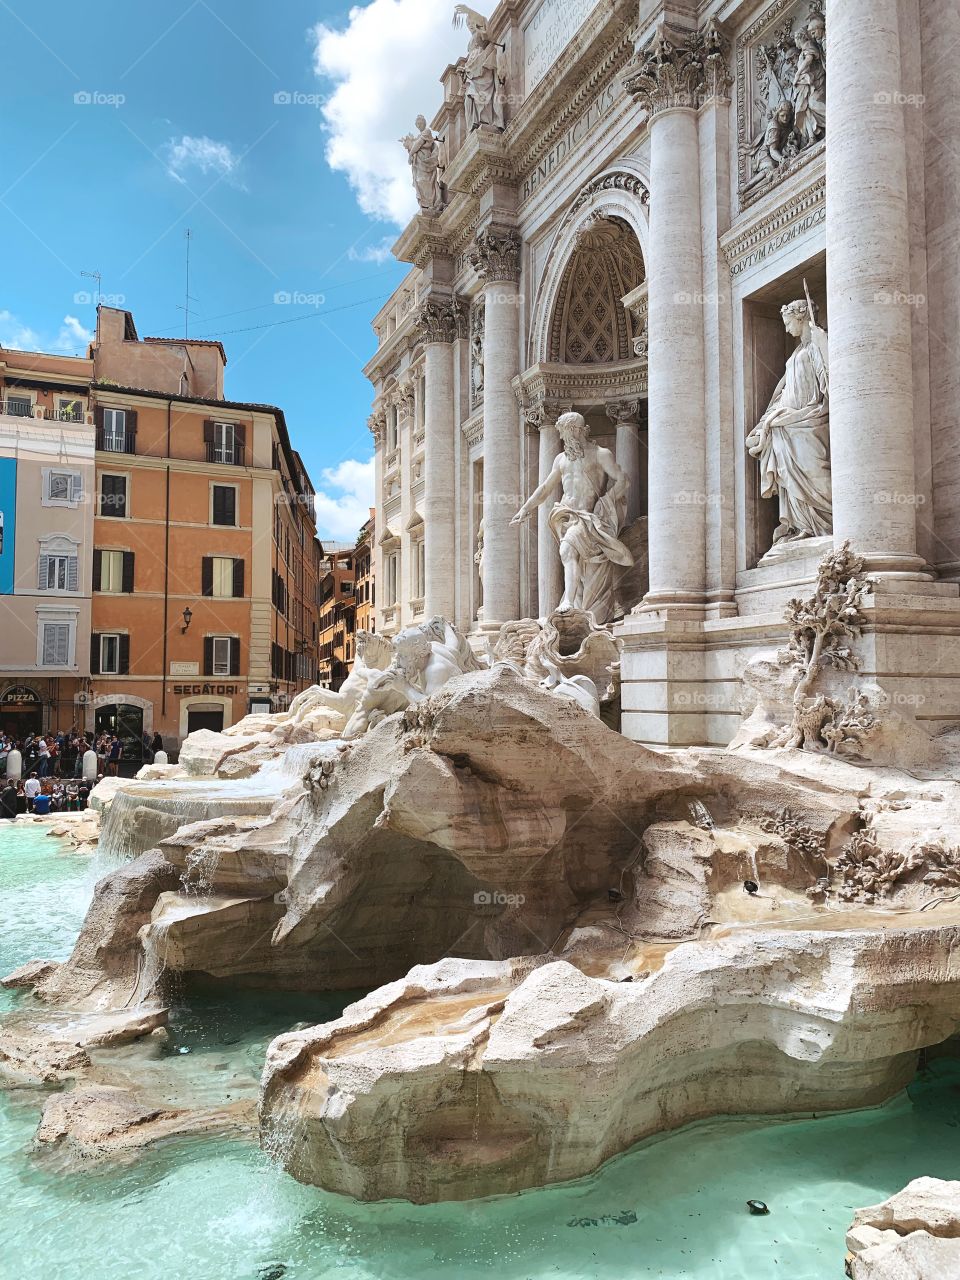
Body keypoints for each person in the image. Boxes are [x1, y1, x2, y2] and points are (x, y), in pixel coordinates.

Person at [510, 411, 633, 624]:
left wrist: (605, 504)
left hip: (589, 517)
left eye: (565, 434)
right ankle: (575, 605)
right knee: (573, 560)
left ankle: (567, 601)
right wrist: (526, 509)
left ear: (577, 430)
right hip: (567, 516)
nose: (563, 439)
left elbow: (623, 480)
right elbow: (545, 488)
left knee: (567, 550)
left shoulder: (600, 454)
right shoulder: (561, 459)